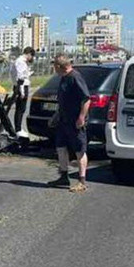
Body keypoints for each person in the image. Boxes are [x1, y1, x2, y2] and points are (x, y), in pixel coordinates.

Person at [47, 55, 91, 191]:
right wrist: (55, 116)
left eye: (55, 66)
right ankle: (63, 176)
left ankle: (82, 181)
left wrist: (81, 117)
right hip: (63, 120)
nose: (54, 69)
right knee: (61, 147)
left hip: (75, 121)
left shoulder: (74, 77)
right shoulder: (63, 78)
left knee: (79, 150)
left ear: (61, 67)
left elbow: (86, 99)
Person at [10, 47, 36, 139]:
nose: (32, 58)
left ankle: (19, 128)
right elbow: (20, 77)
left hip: (21, 86)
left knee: (21, 109)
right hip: (21, 86)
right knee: (20, 108)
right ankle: (18, 129)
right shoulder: (21, 62)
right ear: (29, 54)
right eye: (32, 56)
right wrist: (21, 91)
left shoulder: (20, 61)